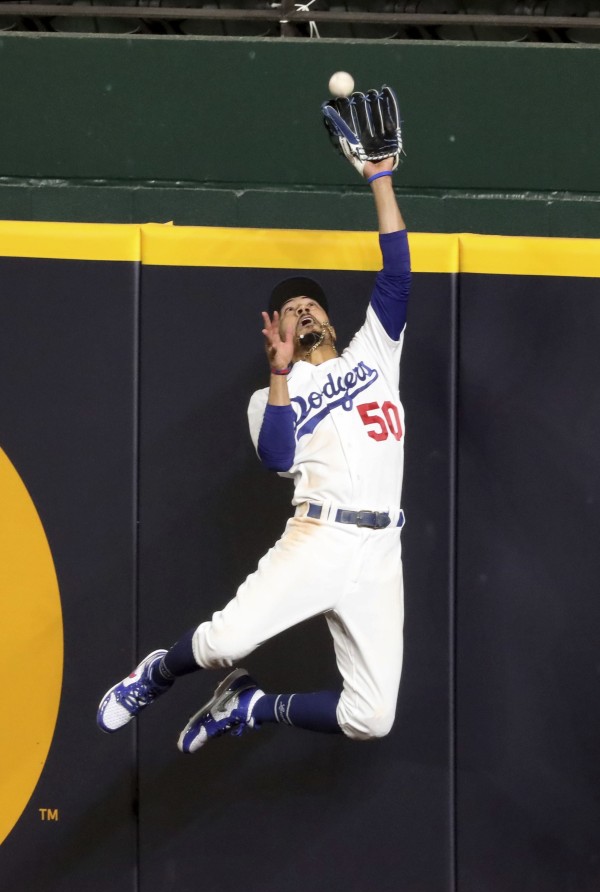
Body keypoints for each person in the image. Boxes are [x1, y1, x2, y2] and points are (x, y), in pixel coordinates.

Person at [97, 86, 410, 753]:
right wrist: (277, 373)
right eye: (288, 310)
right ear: (278, 332)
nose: (301, 313)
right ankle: (155, 672)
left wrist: (380, 179)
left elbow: (398, 276)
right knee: (225, 639)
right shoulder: (273, 390)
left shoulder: (374, 352)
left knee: (373, 715)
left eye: (309, 306)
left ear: (328, 317)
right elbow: (274, 457)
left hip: (382, 550)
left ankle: (251, 705)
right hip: (318, 536)